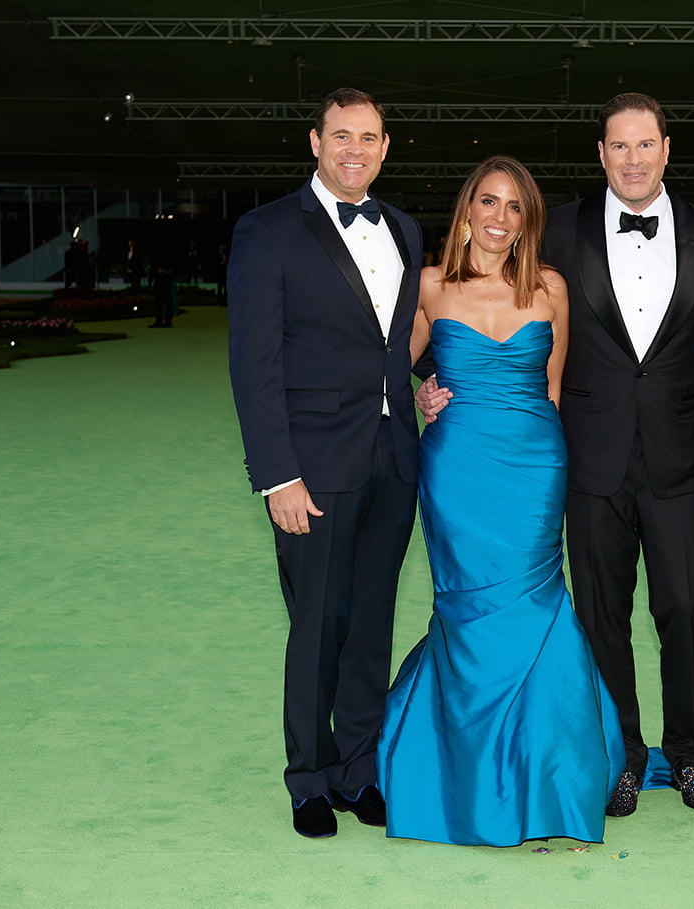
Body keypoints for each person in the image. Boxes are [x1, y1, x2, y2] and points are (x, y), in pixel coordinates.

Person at [421, 93, 694, 817]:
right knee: (599, 613)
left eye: (645, 145)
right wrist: (434, 388)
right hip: (584, 456)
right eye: (618, 147)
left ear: (666, 148)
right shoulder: (555, 228)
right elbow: (471, 316)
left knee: (685, 607)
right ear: (601, 154)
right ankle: (620, 755)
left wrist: (666, 387)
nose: (632, 159)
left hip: (678, 452)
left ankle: (688, 754)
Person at [377, 156, 623, 847]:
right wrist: (420, 392)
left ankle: (550, 774)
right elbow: (388, 372)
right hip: (457, 470)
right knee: (469, 611)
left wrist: (550, 463)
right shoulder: (427, 286)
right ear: (465, 210)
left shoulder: (550, 288)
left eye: (515, 207)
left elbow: (552, 387)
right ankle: (466, 772)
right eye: (488, 201)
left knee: (538, 603)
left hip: (534, 465)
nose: (499, 217)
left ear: (527, 222)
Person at [227, 87, 423, 840]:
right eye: (340, 135)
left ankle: (357, 769)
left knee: (371, 623)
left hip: (390, 458)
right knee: (317, 624)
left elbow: (395, 340)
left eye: (368, 137)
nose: (354, 149)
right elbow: (255, 363)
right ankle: (308, 779)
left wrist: (426, 388)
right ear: (315, 141)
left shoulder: (402, 227)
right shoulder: (269, 230)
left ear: (384, 146)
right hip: (309, 466)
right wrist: (278, 473)